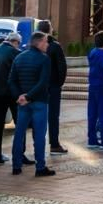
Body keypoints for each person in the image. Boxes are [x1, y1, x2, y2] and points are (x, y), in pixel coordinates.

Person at [8, 32, 55, 176]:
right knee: (39, 135)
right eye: (46, 42)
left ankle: (16, 166)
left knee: (19, 133)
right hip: (38, 101)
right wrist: (29, 96)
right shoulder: (44, 59)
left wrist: (20, 96)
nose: (47, 45)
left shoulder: (19, 57)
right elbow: (43, 83)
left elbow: (11, 80)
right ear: (39, 42)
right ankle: (40, 167)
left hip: (22, 103)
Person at [0, 33, 22, 163]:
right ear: (16, 42)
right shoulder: (15, 53)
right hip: (11, 93)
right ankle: (20, 154)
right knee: (20, 122)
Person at [38, 22, 69, 156]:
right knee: (53, 116)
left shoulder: (34, 46)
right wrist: (59, 84)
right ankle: (54, 144)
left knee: (38, 115)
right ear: (50, 30)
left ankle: (38, 145)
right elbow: (62, 67)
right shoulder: (55, 46)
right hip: (53, 86)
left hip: (39, 86)